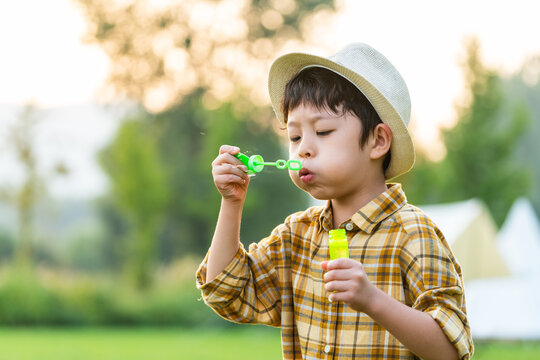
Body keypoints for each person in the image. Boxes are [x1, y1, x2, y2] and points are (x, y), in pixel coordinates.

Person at [196, 43, 474, 360]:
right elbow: (225, 292)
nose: (302, 150)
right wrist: (231, 202)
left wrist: (373, 300)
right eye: (295, 137)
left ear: (378, 141)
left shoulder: (413, 235)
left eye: (324, 131)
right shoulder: (296, 237)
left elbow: (451, 351)